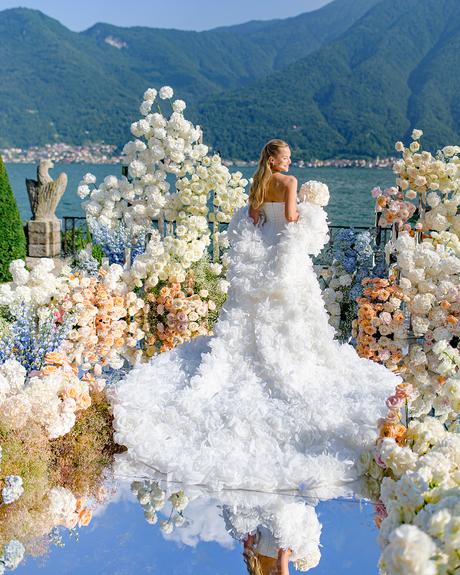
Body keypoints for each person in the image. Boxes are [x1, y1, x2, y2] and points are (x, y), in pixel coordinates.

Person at [110, 138, 402, 497]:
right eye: (288, 156)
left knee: (250, 319)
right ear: (277, 160)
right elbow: (292, 218)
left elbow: (253, 219)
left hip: (259, 258)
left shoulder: (257, 183)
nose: (291, 161)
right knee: (292, 319)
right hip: (283, 258)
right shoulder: (290, 183)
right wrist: (310, 210)